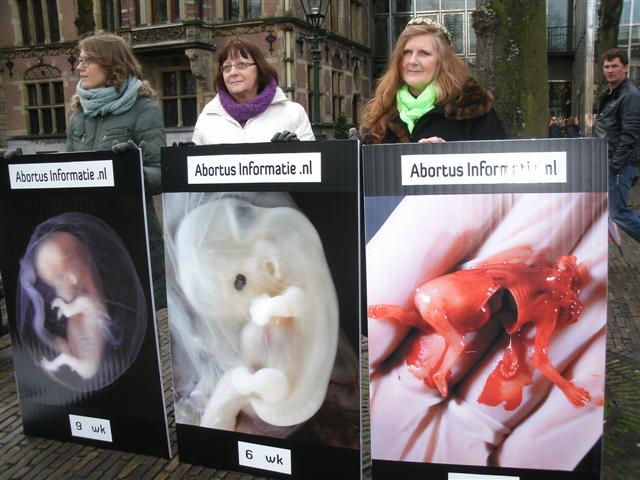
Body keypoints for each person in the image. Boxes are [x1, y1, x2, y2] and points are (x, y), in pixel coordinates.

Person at [65, 33, 167, 308]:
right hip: (85, 237)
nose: (79, 66)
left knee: (136, 317)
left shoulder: (144, 109)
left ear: (111, 64)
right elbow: (65, 174)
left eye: (87, 60)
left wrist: (132, 172)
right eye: (79, 59)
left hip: (130, 235)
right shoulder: (78, 115)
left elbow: (161, 173)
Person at [359, 16, 506, 144]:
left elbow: (501, 167)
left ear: (443, 63)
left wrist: (443, 159)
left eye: (424, 53)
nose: (412, 61)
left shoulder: (473, 107)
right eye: (407, 52)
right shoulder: (381, 112)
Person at [192, 38, 314, 144]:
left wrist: (295, 150)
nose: (233, 73)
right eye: (227, 67)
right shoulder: (208, 117)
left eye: (242, 65)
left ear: (259, 69)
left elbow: (311, 164)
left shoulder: (293, 113)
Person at [593, 48, 640, 243]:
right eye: (606, 66)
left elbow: (630, 134)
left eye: (615, 66)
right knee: (612, 211)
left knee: (618, 213)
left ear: (626, 68)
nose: (610, 70)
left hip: (619, 163)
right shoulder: (612, 93)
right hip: (610, 160)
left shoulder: (629, 95)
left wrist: (614, 164)